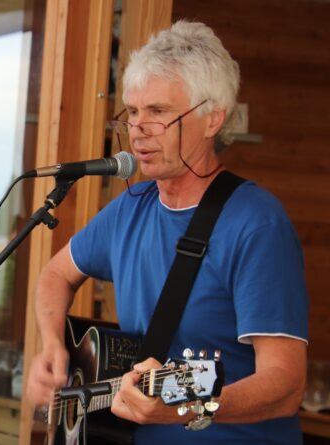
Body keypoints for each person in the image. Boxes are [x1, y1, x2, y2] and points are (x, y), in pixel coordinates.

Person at [26, 21, 308, 444]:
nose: (138, 128)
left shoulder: (257, 223)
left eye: (157, 112)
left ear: (213, 118)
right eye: (133, 113)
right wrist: (52, 347)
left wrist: (189, 408)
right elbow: (54, 275)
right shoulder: (129, 209)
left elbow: (285, 386)